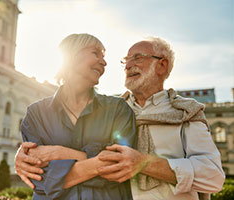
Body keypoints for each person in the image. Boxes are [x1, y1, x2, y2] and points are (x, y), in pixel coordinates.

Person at [15, 36, 225, 200]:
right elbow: (40, 169)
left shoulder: (186, 113)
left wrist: (144, 163)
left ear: (161, 65)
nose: (127, 65)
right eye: (126, 60)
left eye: (138, 58)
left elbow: (213, 177)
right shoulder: (115, 108)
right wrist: (23, 155)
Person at [18, 33, 136, 200]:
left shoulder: (118, 109)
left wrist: (59, 153)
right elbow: (38, 179)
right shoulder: (37, 114)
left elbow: (121, 166)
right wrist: (96, 162)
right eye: (96, 53)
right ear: (71, 56)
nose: (104, 62)